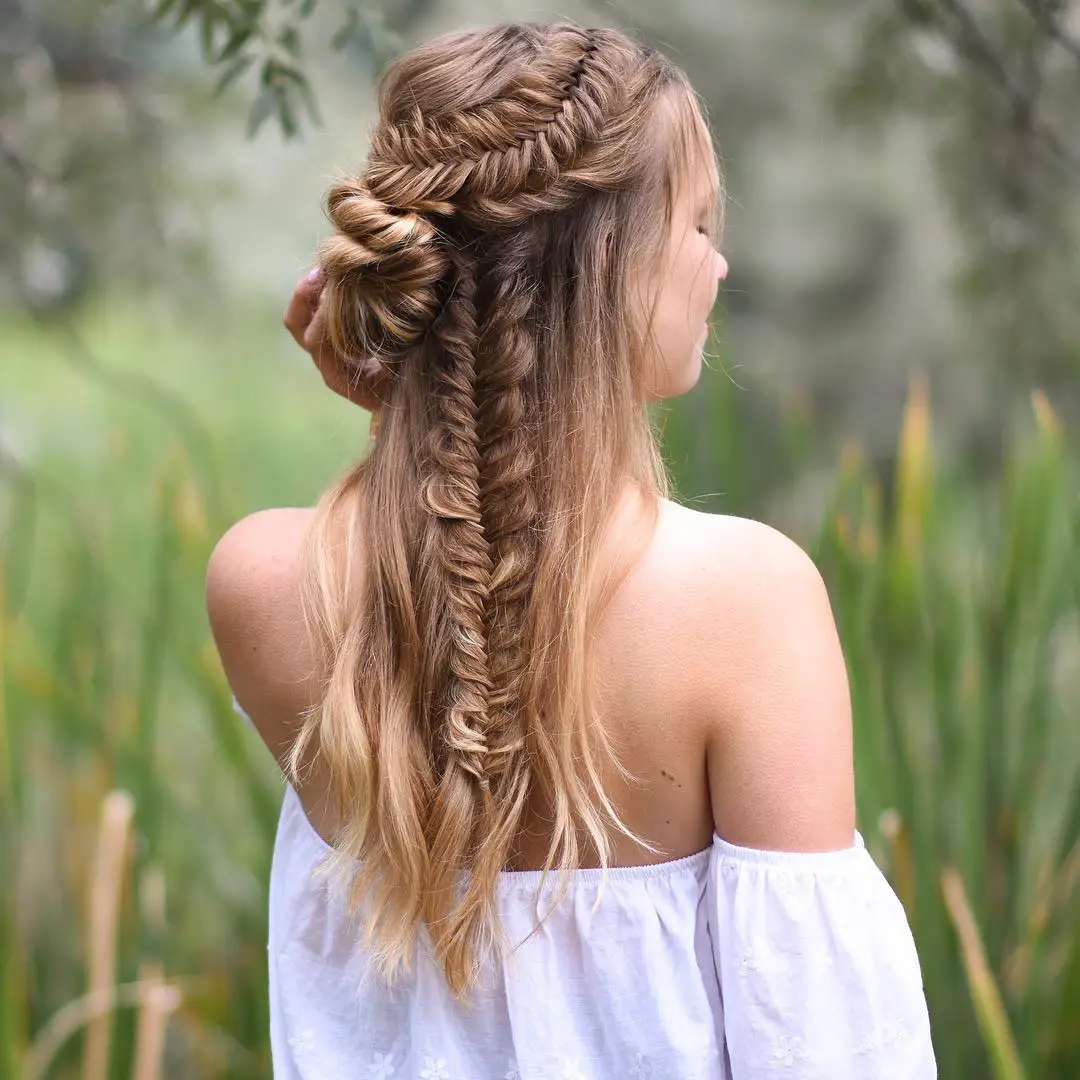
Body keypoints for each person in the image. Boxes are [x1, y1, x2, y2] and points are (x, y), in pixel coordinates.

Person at [206, 21, 936, 1080]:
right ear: (612, 264)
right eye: (693, 224)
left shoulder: (263, 582)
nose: (718, 263)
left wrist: (406, 411)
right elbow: (825, 1050)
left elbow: (453, 560)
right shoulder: (743, 603)